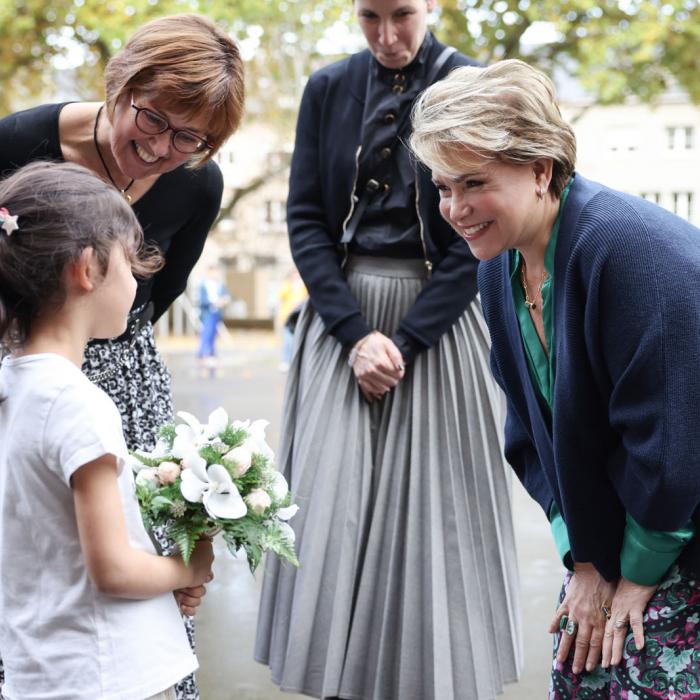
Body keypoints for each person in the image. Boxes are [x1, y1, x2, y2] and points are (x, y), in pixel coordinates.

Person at [255, 1, 522, 698]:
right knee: (326, 511)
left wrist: (403, 341)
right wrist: (355, 335)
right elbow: (307, 218)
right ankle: (334, 679)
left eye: (402, 14)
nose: (387, 36)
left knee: (436, 512)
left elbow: (478, 232)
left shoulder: (473, 85)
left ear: (431, 5)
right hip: (341, 324)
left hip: (436, 322)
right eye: (370, 16)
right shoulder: (327, 88)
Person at [409, 59, 700, 698]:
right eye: (441, 186)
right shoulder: (498, 263)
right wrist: (586, 559)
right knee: (578, 675)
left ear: (541, 169)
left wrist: (633, 575)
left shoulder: (632, 256)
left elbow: (674, 447)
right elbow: (530, 432)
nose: (453, 209)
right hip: (619, 531)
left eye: (472, 183)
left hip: (680, 526)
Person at [0, 14, 244, 700]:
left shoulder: (197, 184)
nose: (163, 147)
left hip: (126, 377)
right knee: (37, 545)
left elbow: (157, 291)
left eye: (190, 138)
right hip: (24, 358)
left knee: (140, 533)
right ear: (123, 82)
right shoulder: (17, 142)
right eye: (154, 118)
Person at [0, 161, 215, 700]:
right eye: (131, 260)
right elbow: (113, 571)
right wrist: (187, 567)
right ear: (86, 269)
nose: (140, 278)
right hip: (112, 675)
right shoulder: (78, 402)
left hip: (40, 670)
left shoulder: (13, 386)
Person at [196, 263, 230, 377]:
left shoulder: (220, 285)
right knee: (206, 333)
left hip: (217, 312)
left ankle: (211, 354)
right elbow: (202, 300)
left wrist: (223, 301)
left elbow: (226, 296)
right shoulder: (203, 285)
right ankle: (202, 354)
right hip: (208, 312)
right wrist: (213, 303)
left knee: (213, 334)